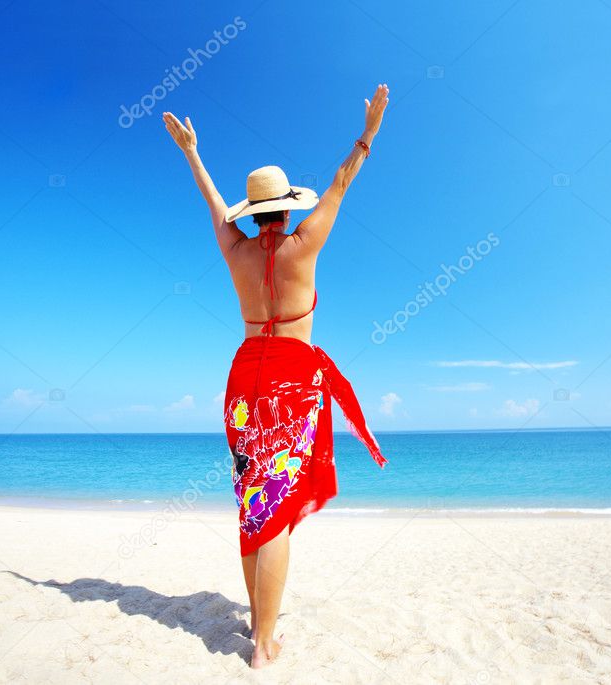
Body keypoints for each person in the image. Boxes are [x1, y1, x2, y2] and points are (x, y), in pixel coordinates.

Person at [163, 83, 390, 668]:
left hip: (245, 379)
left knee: (252, 505)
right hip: (291, 380)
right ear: (287, 209)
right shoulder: (304, 244)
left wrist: (192, 152)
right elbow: (341, 183)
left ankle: (259, 624)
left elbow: (209, 200)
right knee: (278, 512)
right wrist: (368, 132)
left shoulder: (235, 251)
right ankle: (264, 644)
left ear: (254, 212)